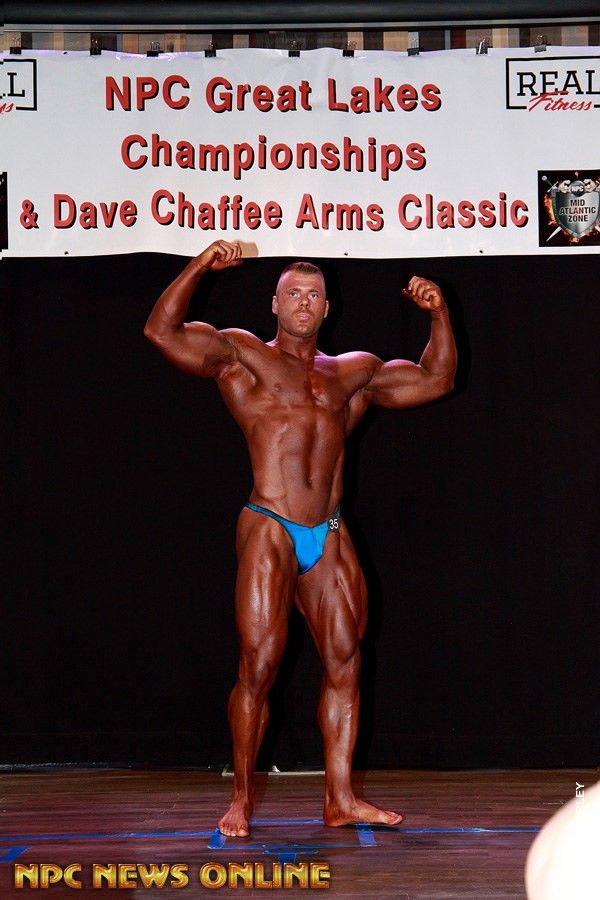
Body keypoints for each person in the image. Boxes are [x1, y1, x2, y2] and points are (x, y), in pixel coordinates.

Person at [144, 240, 457, 837]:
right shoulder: (243, 357)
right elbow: (161, 331)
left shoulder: (352, 374)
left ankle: (340, 798)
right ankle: (240, 798)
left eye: (314, 295)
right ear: (276, 303)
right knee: (259, 665)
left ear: (327, 307)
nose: (304, 303)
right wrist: (200, 267)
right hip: (270, 522)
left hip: (329, 530)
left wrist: (439, 315)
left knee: (345, 662)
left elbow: (437, 378)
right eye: (294, 294)